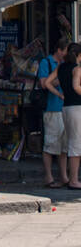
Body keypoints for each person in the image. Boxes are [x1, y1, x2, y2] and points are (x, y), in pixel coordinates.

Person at [39, 38, 69, 187]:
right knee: (50, 143)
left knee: (63, 145)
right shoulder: (47, 62)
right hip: (52, 107)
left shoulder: (65, 64)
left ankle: (64, 176)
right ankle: (49, 176)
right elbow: (44, 83)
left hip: (65, 107)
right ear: (59, 50)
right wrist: (60, 78)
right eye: (65, 51)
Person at [55, 42, 81, 190]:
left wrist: (60, 94)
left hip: (66, 107)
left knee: (70, 142)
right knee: (75, 144)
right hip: (77, 107)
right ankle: (74, 180)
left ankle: (68, 177)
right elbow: (76, 86)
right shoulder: (76, 69)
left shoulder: (61, 68)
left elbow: (48, 82)